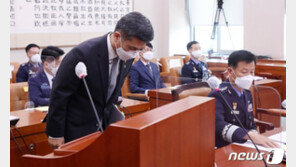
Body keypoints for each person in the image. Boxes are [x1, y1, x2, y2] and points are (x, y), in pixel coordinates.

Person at [46, 12, 154, 148]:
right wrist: (55, 133)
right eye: (132, 48)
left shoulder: (128, 55)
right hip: (76, 129)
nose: (134, 54)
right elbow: (59, 94)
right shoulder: (82, 54)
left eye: (139, 50)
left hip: (103, 127)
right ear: (117, 36)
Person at [208, 50, 279, 148]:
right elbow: (218, 125)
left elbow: (250, 122)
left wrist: (255, 137)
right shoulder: (218, 94)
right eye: (244, 72)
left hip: (247, 144)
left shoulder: (247, 93)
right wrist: (249, 135)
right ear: (230, 71)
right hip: (227, 146)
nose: (249, 76)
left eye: (252, 72)